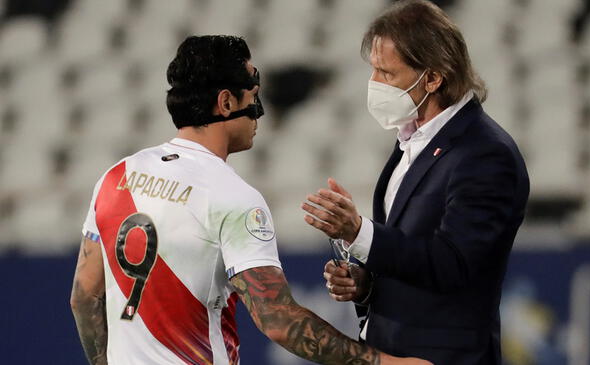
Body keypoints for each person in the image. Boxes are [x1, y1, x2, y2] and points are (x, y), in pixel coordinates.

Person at [69, 35, 431, 365]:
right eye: (252, 94)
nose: (258, 110)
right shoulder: (233, 197)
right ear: (226, 102)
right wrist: (385, 364)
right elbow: (278, 321)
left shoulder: (116, 176)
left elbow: (84, 298)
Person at [301, 1, 530, 364]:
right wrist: (366, 285)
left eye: (386, 73)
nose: (374, 84)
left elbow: (452, 264)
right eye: (373, 71)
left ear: (434, 78)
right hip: (390, 351)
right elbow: (412, 257)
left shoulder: (485, 154)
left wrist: (360, 233)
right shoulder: (413, 139)